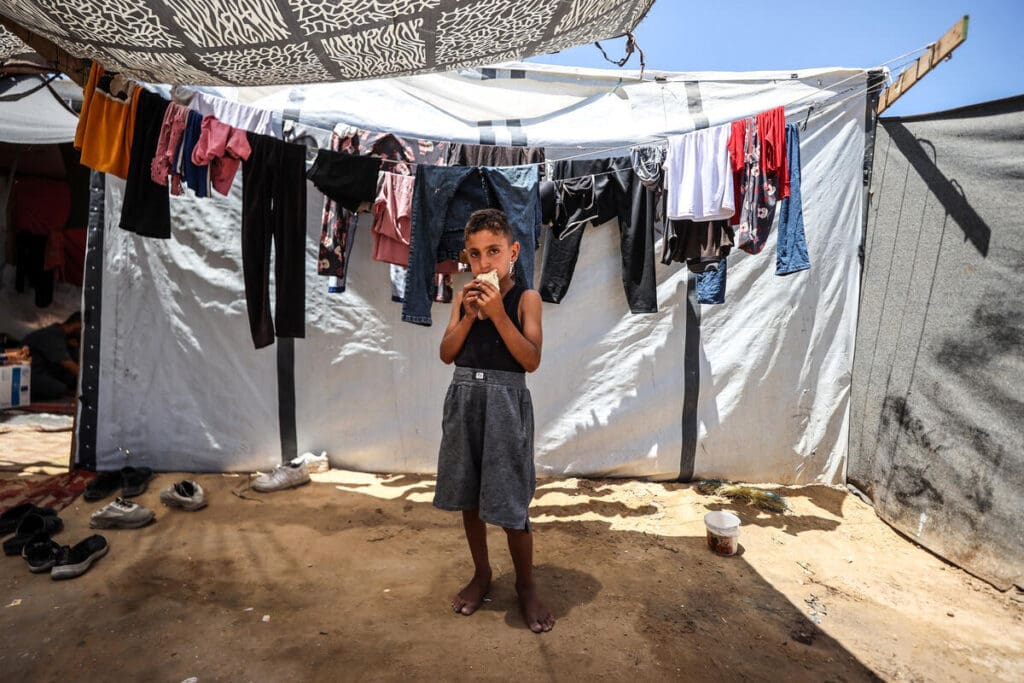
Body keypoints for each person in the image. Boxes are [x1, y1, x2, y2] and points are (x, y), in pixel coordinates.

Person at [434, 208, 554, 633]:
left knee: (510, 501)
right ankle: (482, 573)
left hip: (505, 402)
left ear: (513, 253)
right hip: (465, 398)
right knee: (469, 496)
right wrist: (469, 315)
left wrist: (499, 313)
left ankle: (525, 585)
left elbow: (531, 360)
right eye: (476, 255)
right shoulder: (463, 295)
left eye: (494, 252)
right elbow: (447, 354)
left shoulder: (527, 299)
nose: (485, 264)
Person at [23, 311, 81, 401]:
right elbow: (70, 366)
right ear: (76, 324)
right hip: (28, 376)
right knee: (59, 388)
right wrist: (91, 382)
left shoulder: (63, 338)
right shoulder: (53, 334)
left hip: (42, 373)